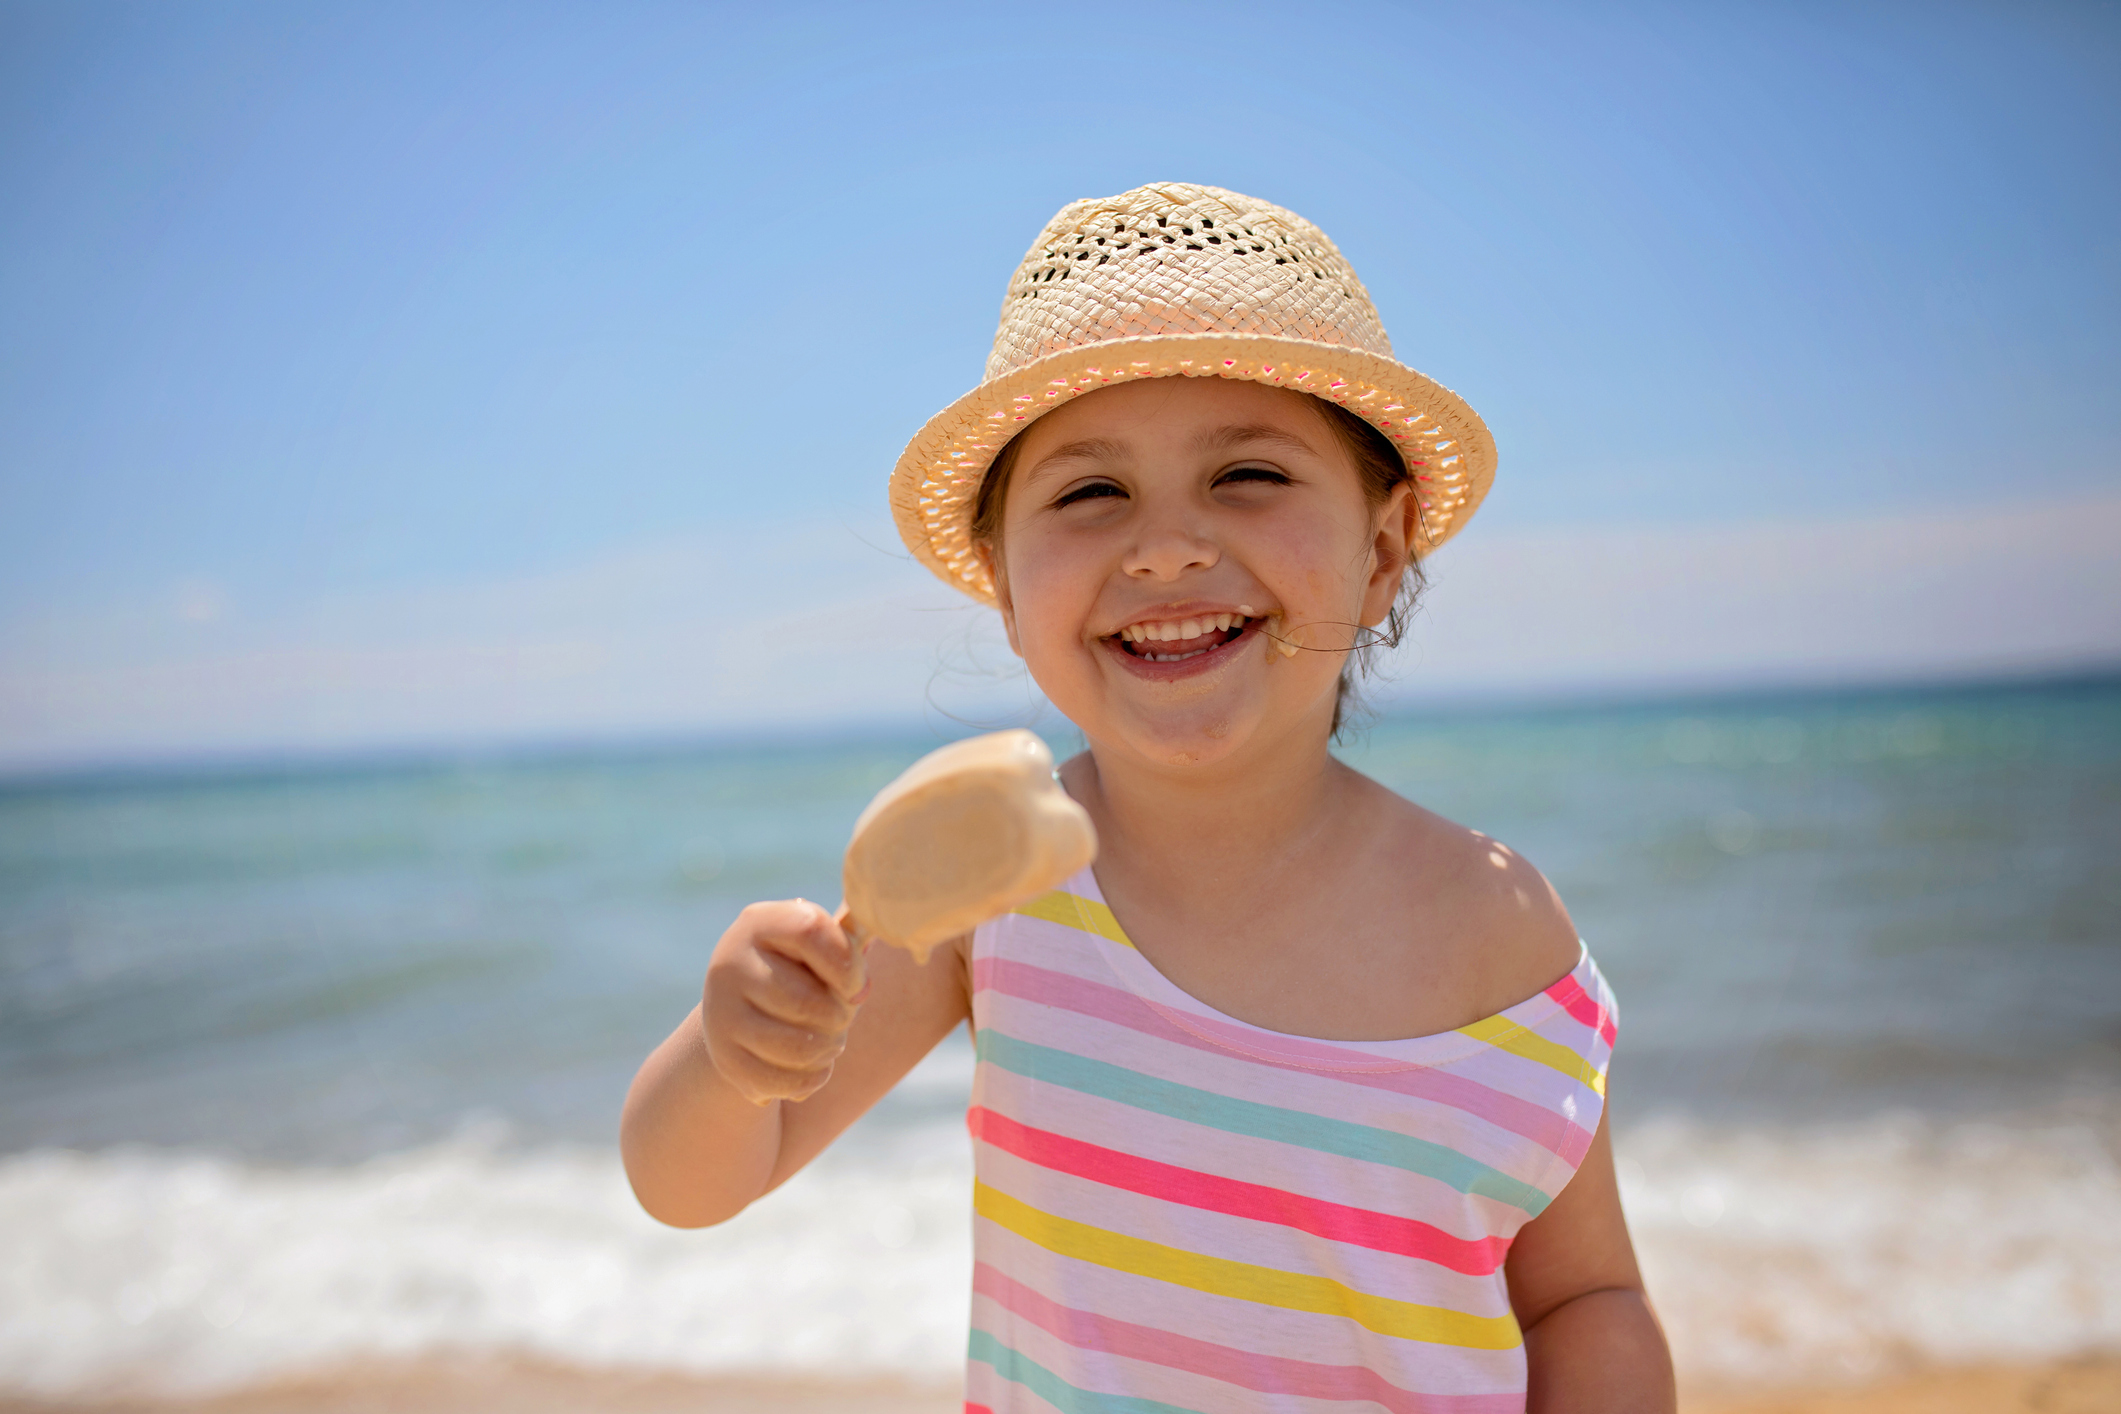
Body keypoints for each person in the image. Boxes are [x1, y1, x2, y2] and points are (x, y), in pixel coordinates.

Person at [622, 183, 1675, 1412]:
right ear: (1008, 593)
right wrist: (736, 1056)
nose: (1167, 546)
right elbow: (688, 1184)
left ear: (1382, 553)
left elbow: (1584, 1297)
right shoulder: (995, 897)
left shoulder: (1500, 931)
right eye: (1088, 494)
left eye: (1246, 474)